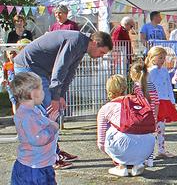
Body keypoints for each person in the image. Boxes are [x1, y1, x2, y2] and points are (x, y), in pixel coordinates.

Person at [11, 30, 113, 169]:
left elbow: (70, 71)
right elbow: (60, 67)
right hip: (29, 66)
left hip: (37, 68)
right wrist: (54, 97)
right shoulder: (76, 41)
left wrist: (61, 95)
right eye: (102, 52)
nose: (101, 56)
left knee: (52, 111)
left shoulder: (81, 45)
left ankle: (55, 151)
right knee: (48, 109)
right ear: (95, 43)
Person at [97, 75, 154, 177]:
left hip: (123, 145)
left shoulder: (105, 108)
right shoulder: (136, 101)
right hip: (148, 146)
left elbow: (101, 143)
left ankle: (121, 166)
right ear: (125, 88)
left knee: (111, 129)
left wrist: (115, 157)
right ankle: (137, 163)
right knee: (134, 130)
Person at [10, 72, 59, 185]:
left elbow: (37, 128)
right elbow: (38, 139)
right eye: (41, 89)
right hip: (34, 169)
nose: (43, 93)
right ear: (33, 94)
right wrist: (52, 126)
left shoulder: (32, 111)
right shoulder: (28, 116)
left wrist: (49, 121)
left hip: (37, 165)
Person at [146, 46, 177, 158]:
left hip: (164, 101)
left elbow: (169, 86)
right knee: (152, 127)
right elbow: (146, 87)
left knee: (161, 126)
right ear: (152, 58)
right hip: (154, 101)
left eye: (163, 58)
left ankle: (161, 149)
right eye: (160, 57)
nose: (162, 60)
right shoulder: (149, 72)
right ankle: (148, 152)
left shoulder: (164, 71)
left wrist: (172, 100)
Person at [129, 61, 159, 168]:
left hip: (140, 118)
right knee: (150, 140)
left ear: (132, 75)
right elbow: (156, 103)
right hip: (152, 118)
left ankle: (140, 160)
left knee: (139, 140)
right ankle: (150, 161)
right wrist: (155, 117)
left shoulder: (135, 88)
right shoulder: (152, 86)